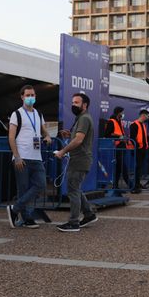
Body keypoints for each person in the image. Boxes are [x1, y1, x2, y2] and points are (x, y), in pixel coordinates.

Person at [6, 85, 51, 229]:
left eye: (33, 95)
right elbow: (11, 137)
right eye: (28, 95)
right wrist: (17, 156)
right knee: (23, 188)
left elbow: (44, 131)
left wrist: (48, 136)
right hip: (22, 157)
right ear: (22, 97)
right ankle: (26, 218)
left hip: (36, 157)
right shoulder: (16, 114)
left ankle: (14, 209)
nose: (31, 97)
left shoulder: (38, 114)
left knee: (41, 184)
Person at [54, 93, 98, 232]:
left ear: (84, 105)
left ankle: (73, 222)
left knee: (73, 190)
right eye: (72, 102)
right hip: (80, 159)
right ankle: (89, 214)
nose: (73, 105)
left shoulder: (84, 118)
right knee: (76, 188)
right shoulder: (81, 118)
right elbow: (78, 137)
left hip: (79, 160)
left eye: (76, 102)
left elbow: (79, 140)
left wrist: (62, 151)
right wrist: (69, 134)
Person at [104, 106, 132, 189]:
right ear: (118, 112)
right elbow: (107, 134)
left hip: (122, 147)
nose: (123, 114)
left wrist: (124, 138)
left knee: (119, 168)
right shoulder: (111, 121)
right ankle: (130, 185)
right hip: (116, 147)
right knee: (123, 166)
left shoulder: (119, 122)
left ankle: (115, 186)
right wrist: (119, 137)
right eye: (122, 112)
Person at [128, 109, 149, 193]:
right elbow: (133, 138)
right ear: (143, 115)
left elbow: (144, 137)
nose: (148, 117)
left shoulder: (143, 125)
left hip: (143, 149)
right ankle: (136, 185)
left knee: (140, 167)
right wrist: (137, 147)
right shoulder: (134, 125)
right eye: (147, 115)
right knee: (137, 167)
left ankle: (138, 183)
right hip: (138, 149)